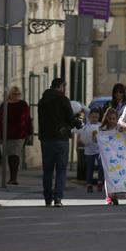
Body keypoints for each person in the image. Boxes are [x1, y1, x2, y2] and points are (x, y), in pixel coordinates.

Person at [37, 78, 81, 207]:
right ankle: (58, 198)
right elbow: (71, 119)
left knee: (48, 170)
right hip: (61, 139)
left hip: (46, 139)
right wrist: (77, 122)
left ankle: (47, 198)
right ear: (61, 87)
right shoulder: (63, 100)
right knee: (61, 170)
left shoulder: (42, 101)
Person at [0, 86, 33, 185]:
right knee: (10, 156)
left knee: (15, 155)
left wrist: (30, 132)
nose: (17, 96)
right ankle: (12, 177)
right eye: (15, 94)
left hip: (19, 134)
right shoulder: (5, 105)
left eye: (19, 94)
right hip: (6, 134)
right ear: (10, 95)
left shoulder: (23, 104)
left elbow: (28, 119)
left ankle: (14, 178)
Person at [77, 108, 103, 193]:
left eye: (96, 117)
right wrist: (83, 141)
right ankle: (89, 185)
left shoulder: (101, 126)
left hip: (99, 150)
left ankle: (100, 183)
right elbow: (80, 138)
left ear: (99, 117)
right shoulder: (85, 127)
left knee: (101, 166)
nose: (95, 118)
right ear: (89, 117)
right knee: (90, 168)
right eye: (93, 117)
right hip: (88, 151)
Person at [100, 108, 121, 205]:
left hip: (117, 156)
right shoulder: (103, 129)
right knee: (108, 176)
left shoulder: (119, 129)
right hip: (106, 156)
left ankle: (114, 194)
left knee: (116, 175)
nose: (112, 121)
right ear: (106, 118)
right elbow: (98, 141)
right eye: (110, 118)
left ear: (117, 119)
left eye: (113, 119)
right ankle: (109, 196)